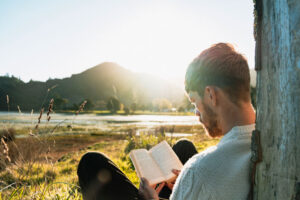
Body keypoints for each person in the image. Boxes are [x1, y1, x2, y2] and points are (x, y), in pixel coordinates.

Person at [77, 43, 256, 200]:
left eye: (194, 102)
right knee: (183, 147)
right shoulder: (266, 140)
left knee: (91, 163)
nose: (196, 112)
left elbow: (202, 178)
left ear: (210, 95)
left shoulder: (198, 172)